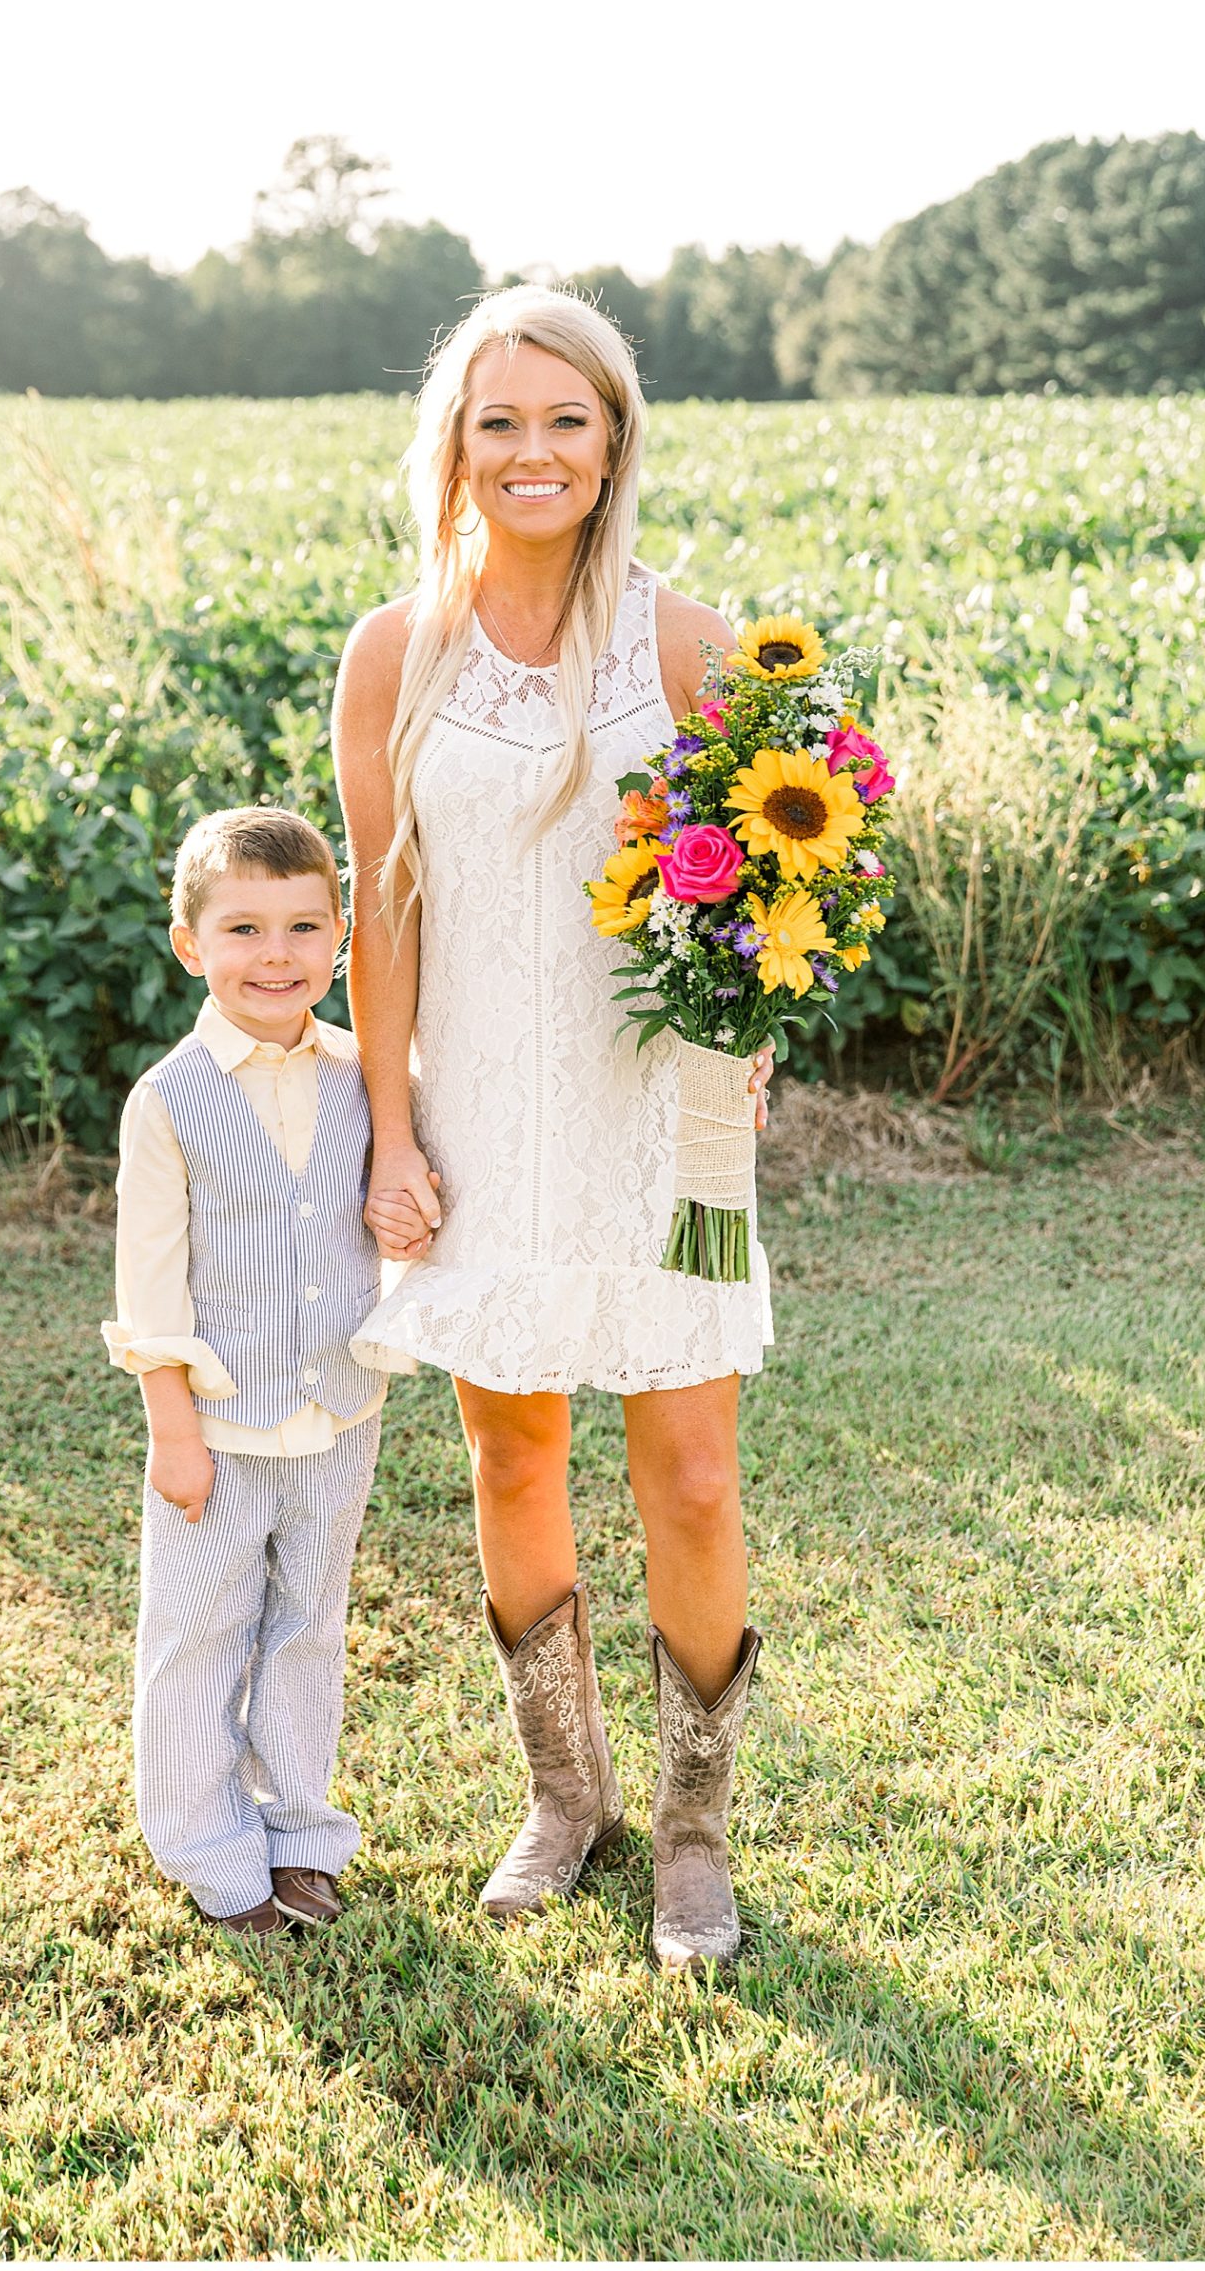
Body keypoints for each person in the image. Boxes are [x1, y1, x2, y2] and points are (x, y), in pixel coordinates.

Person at [334, 289, 775, 1973]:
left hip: (668, 1127)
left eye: (564, 422)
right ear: (453, 443)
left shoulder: (687, 645)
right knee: (509, 1454)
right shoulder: (398, 652)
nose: (531, 452)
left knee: (694, 1474)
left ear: (612, 442)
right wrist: (390, 1130)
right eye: (496, 422)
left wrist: (755, 1042)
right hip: (481, 1123)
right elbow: (383, 908)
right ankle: (561, 1796)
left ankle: (688, 1832)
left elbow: (787, 881)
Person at [101, 806, 428, 1939]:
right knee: (198, 1636)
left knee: (307, 1628)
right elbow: (148, 1286)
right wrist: (171, 1427)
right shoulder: (171, 1099)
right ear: (191, 944)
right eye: (243, 928)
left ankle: (299, 1833)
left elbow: (404, 1204)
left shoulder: (368, 1077)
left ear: (342, 938)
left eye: (302, 926)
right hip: (219, 1427)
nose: (275, 955)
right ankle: (206, 1846)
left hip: (340, 1413)